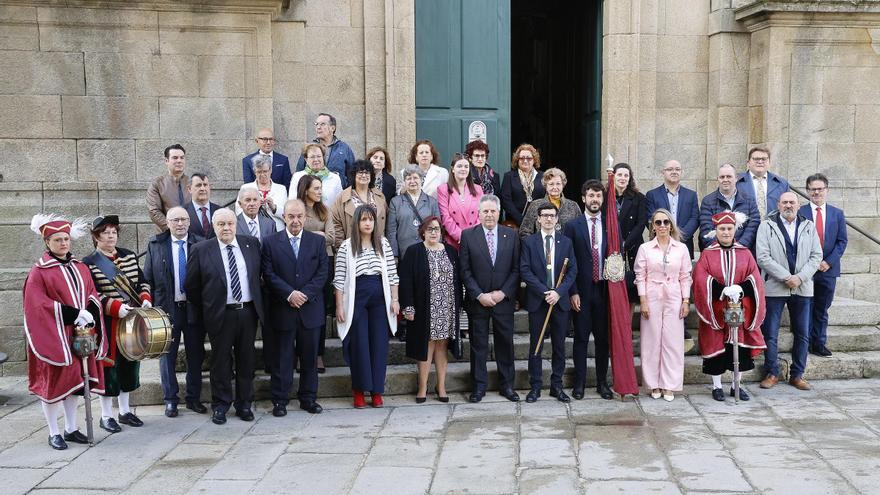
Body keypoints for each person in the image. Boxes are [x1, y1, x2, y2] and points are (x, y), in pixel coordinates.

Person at [23, 215, 108, 450]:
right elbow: (37, 305)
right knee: (53, 386)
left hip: (78, 335)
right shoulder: (39, 272)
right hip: (52, 336)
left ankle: (71, 428)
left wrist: (89, 310)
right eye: (58, 240)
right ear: (47, 243)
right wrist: (72, 313)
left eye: (66, 239)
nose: (63, 243)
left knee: (75, 382)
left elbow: (91, 292)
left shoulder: (80, 267)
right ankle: (53, 432)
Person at [185, 208, 265, 425]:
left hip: (247, 312)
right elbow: (191, 286)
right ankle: (220, 405)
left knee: (247, 360)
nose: (226, 228)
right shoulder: (201, 249)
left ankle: (244, 404)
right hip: (220, 314)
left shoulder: (251, 244)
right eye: (221, 224)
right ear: (214, 226)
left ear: (235, 224)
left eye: (230, 223)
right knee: (220, 362)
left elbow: (259, 276)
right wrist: (209, 307)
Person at [82, 215, 152, 433]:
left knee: (130, 366)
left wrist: (145, 297)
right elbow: (90, 295)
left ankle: (125, 411)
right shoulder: (89, 263)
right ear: (96, 237)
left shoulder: (129, 256)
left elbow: (142, 281)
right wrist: (114, 307)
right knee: (110, 370)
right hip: (108, 323)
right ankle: (105, 415)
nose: (111, 236)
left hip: (131, 319)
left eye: (113, 232)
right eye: (105, 232)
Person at [262, 199, 329, 416]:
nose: (295, 220)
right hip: (283, 308)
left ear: (305, 217)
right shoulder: (271, 242)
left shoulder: (316, 242)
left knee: (310, 358)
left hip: (310, 310)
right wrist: (289, 294)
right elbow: (268, 274)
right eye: (291, 216)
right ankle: (280, 400)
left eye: (299, 216)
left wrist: (304, 295)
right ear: (284, 216)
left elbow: (322, 273)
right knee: (282, 358)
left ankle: (308, 398)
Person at [694, 211, 767, 401]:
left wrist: (740, 289)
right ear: (716, 230)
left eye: (729, 229)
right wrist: (721, 290)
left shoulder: (745, 253)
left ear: (735, 230)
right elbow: (701, 279)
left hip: (739, 310)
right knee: (716, 347)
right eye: (722, 229)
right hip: (716, 310)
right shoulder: (707, 254)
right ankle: (717, 386)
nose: (726, 232)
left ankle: (736, 385)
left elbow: (755, 279)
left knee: (739, 349)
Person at [333, 205, 400, 408]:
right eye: (363, 220)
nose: (368, 223)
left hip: (380, 297)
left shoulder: (383, 243)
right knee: (359, 344)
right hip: (357, 297)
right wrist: (339, 306)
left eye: (371, 219)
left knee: (379, 345)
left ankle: (377, 391)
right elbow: (339, 278)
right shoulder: (347, 246)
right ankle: (359, 391)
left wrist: (395, 299)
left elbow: (392, 273)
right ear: (357, 222)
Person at [756, 192, 823, 391]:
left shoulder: (808, 227)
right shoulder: (766, 226)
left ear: (799, 204)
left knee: (802, 333)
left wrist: (800, 278)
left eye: (792, 202)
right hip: (775, 287)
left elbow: (816, 255)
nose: (788, 205)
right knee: (770, 333)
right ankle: (772, 373)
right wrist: (786, 277)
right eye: (784, 202)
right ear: (778, 204)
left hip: (802, 288)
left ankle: (797, 375)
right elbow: (763, 257)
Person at [143, 207, 206, 417]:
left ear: (189, 221)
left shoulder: (200, 243)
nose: (180, 224)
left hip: (194, 309)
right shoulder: (156, 245)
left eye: (183, 219)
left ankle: (193, 398)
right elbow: (148, 280)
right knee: (166, 356)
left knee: (195, 355)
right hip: (167, 309)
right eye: (175, 220)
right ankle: (170, 399)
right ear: (167, 223)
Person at [459, 195, 520, 403]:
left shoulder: (511, 235)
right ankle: (478, 387)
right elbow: (465, 270)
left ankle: (507, 386)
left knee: (506, 343)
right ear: (478, 213)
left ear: (499, 211)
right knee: (479, 345)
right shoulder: (468, 236)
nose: (489, 215)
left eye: (493, 211)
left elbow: (516, 269)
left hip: (503, 300)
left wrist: (502, 293)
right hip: (478, 301)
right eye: (485, 211)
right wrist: (479, 294)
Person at [399, 216, 461, 403]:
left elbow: (458, 280)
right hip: (424, 306)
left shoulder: (450, 251)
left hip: (446, 305)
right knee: (426, 345)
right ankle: (423, 386)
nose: (434, 232)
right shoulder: (414, 252)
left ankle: (441, 386)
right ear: (423, 232)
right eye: (430, 229)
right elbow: (406, 281)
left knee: (442, 345)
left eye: (437, 229)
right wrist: (407, 306)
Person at [520, 204, 577, 403]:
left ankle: (556, 386)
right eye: (544, 216)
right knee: (536, 345)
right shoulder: (529, 242)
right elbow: (525, 270)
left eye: (552, 216)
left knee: (559, 346)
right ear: (538, 218)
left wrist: (559, 293)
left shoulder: (566, 242)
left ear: (557, 219)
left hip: (559, 303)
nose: (548, 219)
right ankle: (535, 386)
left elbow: (572, 272)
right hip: (539, 301)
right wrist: (546, 292)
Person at [634, 208, 692, 401]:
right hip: (652, 295)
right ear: (652, 226)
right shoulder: (645, 248)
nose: (662, 226)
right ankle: (653, 384)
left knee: (672, 342)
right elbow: (640, 275)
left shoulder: (681, 248)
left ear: (671, 225)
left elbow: (685, 276)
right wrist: (643, 301)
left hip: (674, 295)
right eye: (658, 222)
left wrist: (686, 300)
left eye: (666, 222)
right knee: (651, 341)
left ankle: (670, 384)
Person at [563, 180, 613, 400]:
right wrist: (572, 291)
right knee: (581, 338)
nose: (595, 200)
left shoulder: (611, 224)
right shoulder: (573, 226)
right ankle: (579, 383)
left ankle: (602, 383)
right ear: (583, 198)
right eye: (591, 195)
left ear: (602, 199)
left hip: (604, 290)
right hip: (581, 291)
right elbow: (568, 261)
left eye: (598, 196)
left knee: (603, 340)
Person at [799, 173, 848, 358]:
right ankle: (803, 342)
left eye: (820, 189)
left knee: (821, 308)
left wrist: (828, 262)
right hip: (806, 270)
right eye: (813, 189)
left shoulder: (837, 213)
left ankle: (819, 343)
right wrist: (810, 264)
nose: (816, 192)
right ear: (807, 191)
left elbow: (842, 241)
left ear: (826, 190)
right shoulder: (800, 212)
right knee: (805, 307)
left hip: (828, 269)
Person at [297, 175, 334, 372]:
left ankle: (318, 354)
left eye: (321, 188)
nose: (320, 191)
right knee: (299, 307)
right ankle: (299, 354)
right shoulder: (297, 210)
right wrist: (317, 236)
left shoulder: (325, 210)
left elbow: (331, 237)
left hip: (324, 262)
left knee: (319, 309)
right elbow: (294, 234)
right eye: (316, 188)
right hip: (300, 262)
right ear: (305, 190)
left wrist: (310, 237)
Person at [645, 160, 700, 258]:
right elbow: (650, 219)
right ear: (663, 172)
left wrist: (679, 235)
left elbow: (695, 218)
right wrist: (665, 235)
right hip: (659, 244)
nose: (674, 172)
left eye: (677, 169)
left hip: (684, 244)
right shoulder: (652, 195)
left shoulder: (691, 195)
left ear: (681, 172)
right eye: (670, 169)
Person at [699, 163, 761, 250]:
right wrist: (721, 248)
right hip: (717, 252)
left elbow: (753, 226)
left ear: (736, 178)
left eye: (729, 176)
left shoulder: (749, 200)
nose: (725, 180)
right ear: (718, 179)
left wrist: (739, 246)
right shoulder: (708, 201)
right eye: (722, 177)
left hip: (743, 252)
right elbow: (706, 228)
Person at [330, 160, 388, 251]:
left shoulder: (380, 196)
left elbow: (387, 222)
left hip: (377, 247)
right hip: (352, 248)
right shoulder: (343, 197)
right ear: (354, 175)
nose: (364, 175)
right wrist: (341, 248)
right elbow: (336, 223)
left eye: (367, 172)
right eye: (360, 172)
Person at [387, 164, 441, 258]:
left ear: (422, 180)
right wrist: (394, 255)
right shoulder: (395, 202)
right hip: (404, 253)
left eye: (415, 178)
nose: (412, 181)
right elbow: (391, 231)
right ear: (404, 181)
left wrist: (437, 250)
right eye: (408, 178)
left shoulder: (432, 202)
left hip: (428, 253)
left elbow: (438, 229)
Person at [294, 113, 356, 188]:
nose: (318, 127)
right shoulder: (309, 148)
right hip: (311, 194)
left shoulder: (344, 148)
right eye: (316, 124)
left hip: (338, 195)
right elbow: (300, 171)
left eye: (322, 124)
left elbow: (352, 175)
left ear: (332, 128)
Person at [437, 153, 483, 250]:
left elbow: (481, 215)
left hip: (474, 240)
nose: (463, 169)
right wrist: (461, 237)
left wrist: (471, 237)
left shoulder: (478, 189)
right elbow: (445, 217)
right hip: (453, 242)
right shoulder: (443, 189)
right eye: (459, 166)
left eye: (466, 166)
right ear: (453, 169)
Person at [519, 167, 581, 238]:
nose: (555, 187)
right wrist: (534, 246)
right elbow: (524, 232)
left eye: (558, 184)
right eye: (551, 184)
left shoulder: (573, 206)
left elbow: (580, 231)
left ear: (563, 185)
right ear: (546, 186)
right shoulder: (535, 205)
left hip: (567, 248)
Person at [736, 146, 789, 220]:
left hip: (774, 228)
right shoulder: (736, 183)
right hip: (745, 229)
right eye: (756, 159)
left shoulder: (782, 184)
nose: (760, 162)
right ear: (748, 162)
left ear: (769, 162)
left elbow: (788, 208)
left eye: (764, 159)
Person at [611, 163, 647, 271]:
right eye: (619, 175)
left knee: (632, 281)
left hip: (632, 246)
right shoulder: (605, 197)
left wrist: (625, 244)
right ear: (613, 176)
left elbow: (641, 223)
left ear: (630, 178)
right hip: (610, 247)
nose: (623, 178)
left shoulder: (639, 198)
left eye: (626, 175)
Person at [147, 144, 191, 231]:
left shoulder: (192, 183)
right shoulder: (157, 184)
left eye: (182, 158)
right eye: (175, 158)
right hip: (167, 235)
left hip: (192, 236)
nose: (179, 161)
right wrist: (173, 229)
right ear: (167, 161)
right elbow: (154, 211)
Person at [237, 154, 287, 231]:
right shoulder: (245, 188)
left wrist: (274, 207)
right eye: (259, 172)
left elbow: (287, 214)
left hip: (277, 230)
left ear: (270, 170)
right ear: (254, 172)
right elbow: (239, 212)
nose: (263, 174)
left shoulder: (281, 189)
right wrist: (255, 205)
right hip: (253, 230)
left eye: (265, 171)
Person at [500, 143, 545, 226]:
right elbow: (506, 200)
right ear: (517, 160)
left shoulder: (543, 176)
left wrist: (539, 219)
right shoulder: (509, 176)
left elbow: (545, 199)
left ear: (534, 160)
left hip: (538, 222)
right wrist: (521, 220)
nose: (525, 160)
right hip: (515, 222)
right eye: (522, 158)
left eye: (529, 158)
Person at [291, 143, 344, 208]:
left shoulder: (335, 178)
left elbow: (340, 203)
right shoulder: (298, 177)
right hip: (305, 216)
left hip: (328, 217)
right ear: (306, 159)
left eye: (319, 156)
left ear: (323, 157)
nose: (316, 160)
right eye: (312, 157)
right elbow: (292, 201)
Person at [185, 173, 220, 240]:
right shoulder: (183, 212)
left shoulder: (220, 211)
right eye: (198, 185)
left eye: (205, 185)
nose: (202, 188)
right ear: (189, 189)